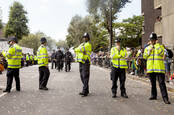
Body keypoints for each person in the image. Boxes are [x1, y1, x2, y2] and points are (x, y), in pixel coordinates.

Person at [143, 32, 170, 104]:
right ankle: (153, 95)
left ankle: (165, 98)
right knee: (153, 83)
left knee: (162, 83)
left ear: (156, 40)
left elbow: (163, 54)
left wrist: (157, 46)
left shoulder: (160, 47)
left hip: (159, 68)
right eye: (151, 40)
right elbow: (144, 57)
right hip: (151, 69)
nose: (152, 41)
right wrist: (149, 51)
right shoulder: (147, 48)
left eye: (153, 40)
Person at [75, 33, 92, 97]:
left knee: (85, 76)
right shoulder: (82, 44)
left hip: (86, 62)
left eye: (86, 37)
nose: (85, 38)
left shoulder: (88, 45)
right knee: (82, 76)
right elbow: (76, 49)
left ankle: (84, 91)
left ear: (88, 38)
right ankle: (86, 90)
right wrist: (79, 50)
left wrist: (80, 50)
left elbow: (79, 49)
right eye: (84, 37)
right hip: (81, 62)